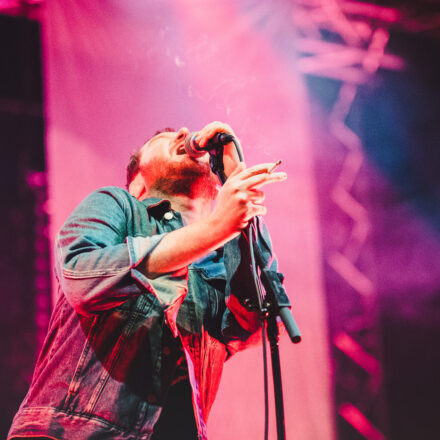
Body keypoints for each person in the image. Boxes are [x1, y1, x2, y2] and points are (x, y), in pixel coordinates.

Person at [8, 121, 287, 440]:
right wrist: (216, 228)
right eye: (167, 138)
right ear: (137, 183)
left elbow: (255, 324)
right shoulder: (119, 205)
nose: (185, 133)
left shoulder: (222, 258)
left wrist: (235, 191)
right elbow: (80, 276)